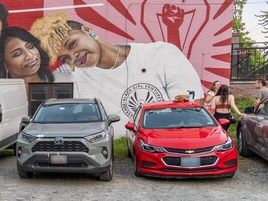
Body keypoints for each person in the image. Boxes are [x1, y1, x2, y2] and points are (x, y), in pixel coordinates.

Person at [30, 11, 204, 136]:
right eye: (65, 58)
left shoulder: (161, 54)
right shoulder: (70, 77)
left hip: (162, 147)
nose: (73, 57)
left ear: (88, 31)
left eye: (72, 44)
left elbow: (191, 113)